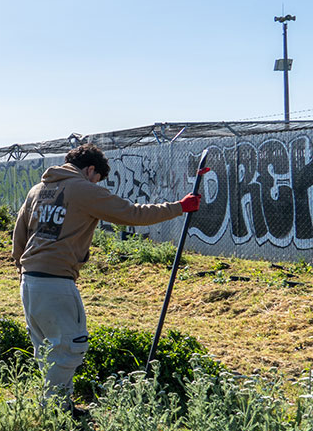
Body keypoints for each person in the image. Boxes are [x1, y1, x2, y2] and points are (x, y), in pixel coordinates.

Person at [12, 143, 201, 410]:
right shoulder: (82, 189)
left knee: (47, 348)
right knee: (70, 347)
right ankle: (52, 410)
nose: (96, 183)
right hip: (56, 281)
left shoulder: (38, 190)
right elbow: (131, 214)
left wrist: (22, 270)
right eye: (97, 178)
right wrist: (179, 207)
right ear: (90, 170)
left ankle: (59, 406)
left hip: (29, 280)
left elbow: (19, 234)